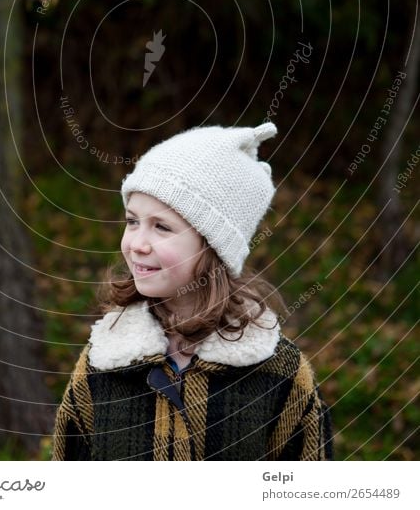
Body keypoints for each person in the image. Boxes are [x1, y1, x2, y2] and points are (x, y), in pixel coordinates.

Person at [52, 122, 334, 460]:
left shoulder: (278, 374)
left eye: (162, 227)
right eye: (132, 221)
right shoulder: (103, 364)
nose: (137, 244)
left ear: (214, 247)